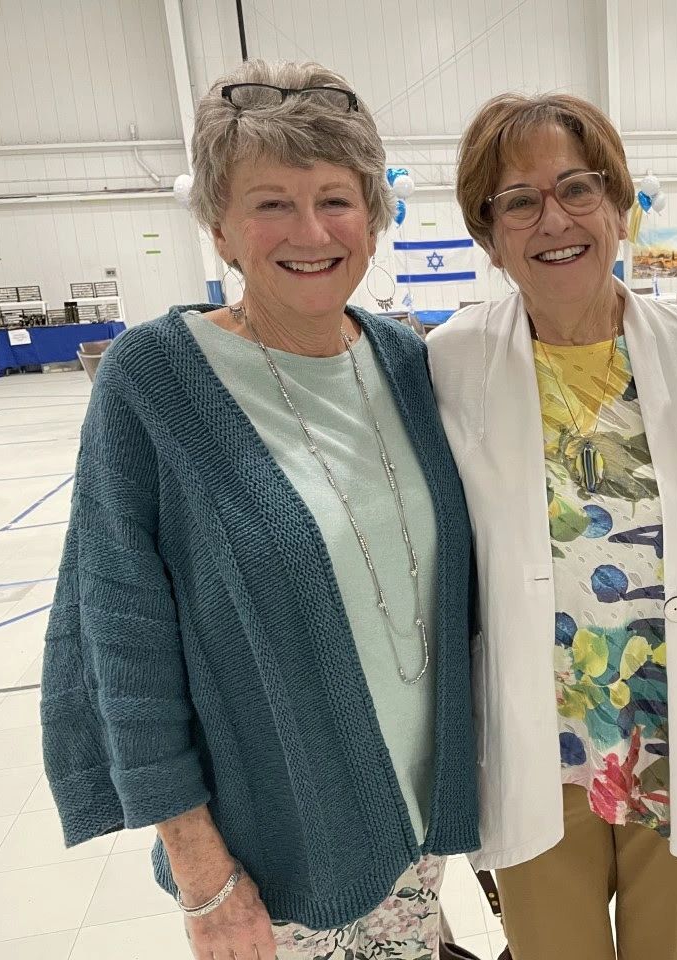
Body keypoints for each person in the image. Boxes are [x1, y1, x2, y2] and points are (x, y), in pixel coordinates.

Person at [40, 59, 479, 960]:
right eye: (272, 202)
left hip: (420, 828)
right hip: (273, 855)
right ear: (220, 227)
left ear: (373, 218)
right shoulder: (153, 383)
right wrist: (201, 874)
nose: (310, 231)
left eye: (335, 200)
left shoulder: (406, 361)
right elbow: (122, 642)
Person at [427, 92, 677, 960]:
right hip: (538, 751)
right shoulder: (449, 364)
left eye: (578, 188)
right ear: (489, 236)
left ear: (619, 208)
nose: (554, 219)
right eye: (519, 201)